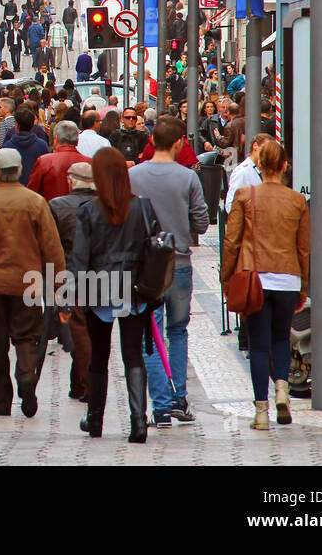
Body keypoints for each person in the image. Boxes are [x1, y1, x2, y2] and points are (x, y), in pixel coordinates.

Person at [0, 148, 63, 417]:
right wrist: (56, 285)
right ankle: (27, 374)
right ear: (19, 170)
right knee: (28, 335)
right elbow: (52, 247)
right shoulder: (36, 202)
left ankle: (1, 400)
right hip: (29, 283)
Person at [222, 139, 310, 432]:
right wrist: (303, 286)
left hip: (255, 278)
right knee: (281, 339)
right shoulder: (297, 201)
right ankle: (283, 390)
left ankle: (261, 412)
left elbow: (231, 241)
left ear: (259, 165)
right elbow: (304, 248)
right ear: (285, 166)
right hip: (288, 278)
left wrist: (226, 279)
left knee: (259, 347)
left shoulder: (246, 196)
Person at [67, 147, 153, 443]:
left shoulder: (89, 211)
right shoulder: (143, 207)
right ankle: (139, 422)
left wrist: (68, 298)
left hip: (98, 288)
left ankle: (95, 420)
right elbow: (152, 249)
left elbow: (79, 258)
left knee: (98, 357)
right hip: (134, 290)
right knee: (133, 355)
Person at [129, 116, 209, 427]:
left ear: (151, 142)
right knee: (177, 332)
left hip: (144, 268)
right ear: (178, 143)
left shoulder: (133, 176)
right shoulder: (188, 178)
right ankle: (179, 398)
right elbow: (202, 223)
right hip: (178, 263)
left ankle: (160, 406)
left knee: (151, 335)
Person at [48, 161, 97, 401]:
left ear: (70, 181)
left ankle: (87, 386)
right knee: (89, 332)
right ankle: (78, 384)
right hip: (100, 277)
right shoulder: (103, 206)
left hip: (69, 277)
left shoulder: (56, 206)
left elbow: (51, 247)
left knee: (79, 333)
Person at [27, 120, 90, 201]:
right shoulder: (89, 163)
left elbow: (32, 193)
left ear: (55, 139)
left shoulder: (44, 161)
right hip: (81, 212)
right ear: (77, 140)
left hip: (50, 211)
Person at [0, 106, 49, 186]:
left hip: (13, 190)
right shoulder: (42, 146)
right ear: (32, 125)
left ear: (17, 126)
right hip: (36, 191)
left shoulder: (7, 147)